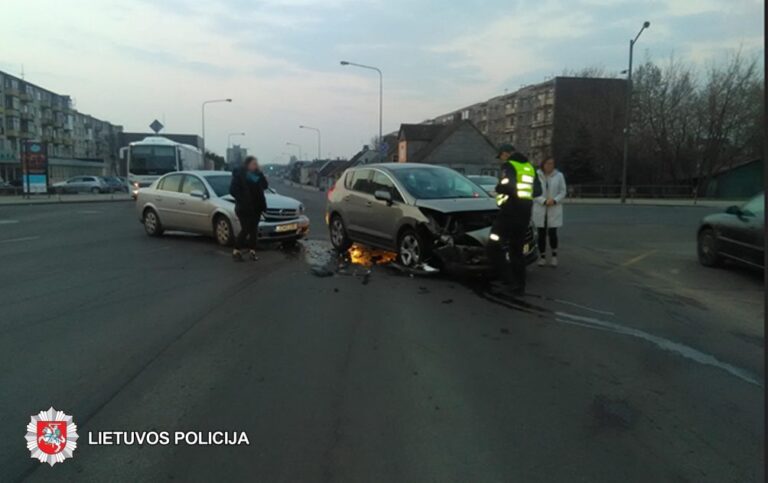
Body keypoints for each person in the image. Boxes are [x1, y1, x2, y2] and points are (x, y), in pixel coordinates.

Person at [487, 145, 540, 296]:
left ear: (505, 154)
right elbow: (537, 191)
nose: (501, 160)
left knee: (493, 246)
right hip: (525, 212)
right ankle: (518, 286)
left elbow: (506, 186)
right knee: (516, 250)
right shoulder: (530, 167)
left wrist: (499, 188)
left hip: (509, 211)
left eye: (501, 156)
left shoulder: (508, 165)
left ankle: (507, 280)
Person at [229, 155, 268, 261]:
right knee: (246, 229)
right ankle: (236, 250)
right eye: (253, 164)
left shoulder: (257, 175)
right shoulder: (240, 175)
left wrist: (261, 174)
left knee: (253, 231)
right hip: (244, 208)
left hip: (256, 207)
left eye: (256, 164)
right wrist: (243, 199)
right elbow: (232, 190)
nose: (255, 166)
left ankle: (252, 251)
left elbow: (265, 186)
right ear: (248, 164)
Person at [532, 158, 567, 267]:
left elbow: (563, 191)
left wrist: (555, 200)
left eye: (552, 163)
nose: (550, 166)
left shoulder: (559, 176)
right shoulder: (536, 175)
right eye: (548, 163)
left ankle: (554, 256)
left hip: (554, 207)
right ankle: (542, 257)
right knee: (541, 234)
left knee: (553, 233)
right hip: (541, 208)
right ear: (543, 164)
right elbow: (533, 192)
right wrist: (543, 201)